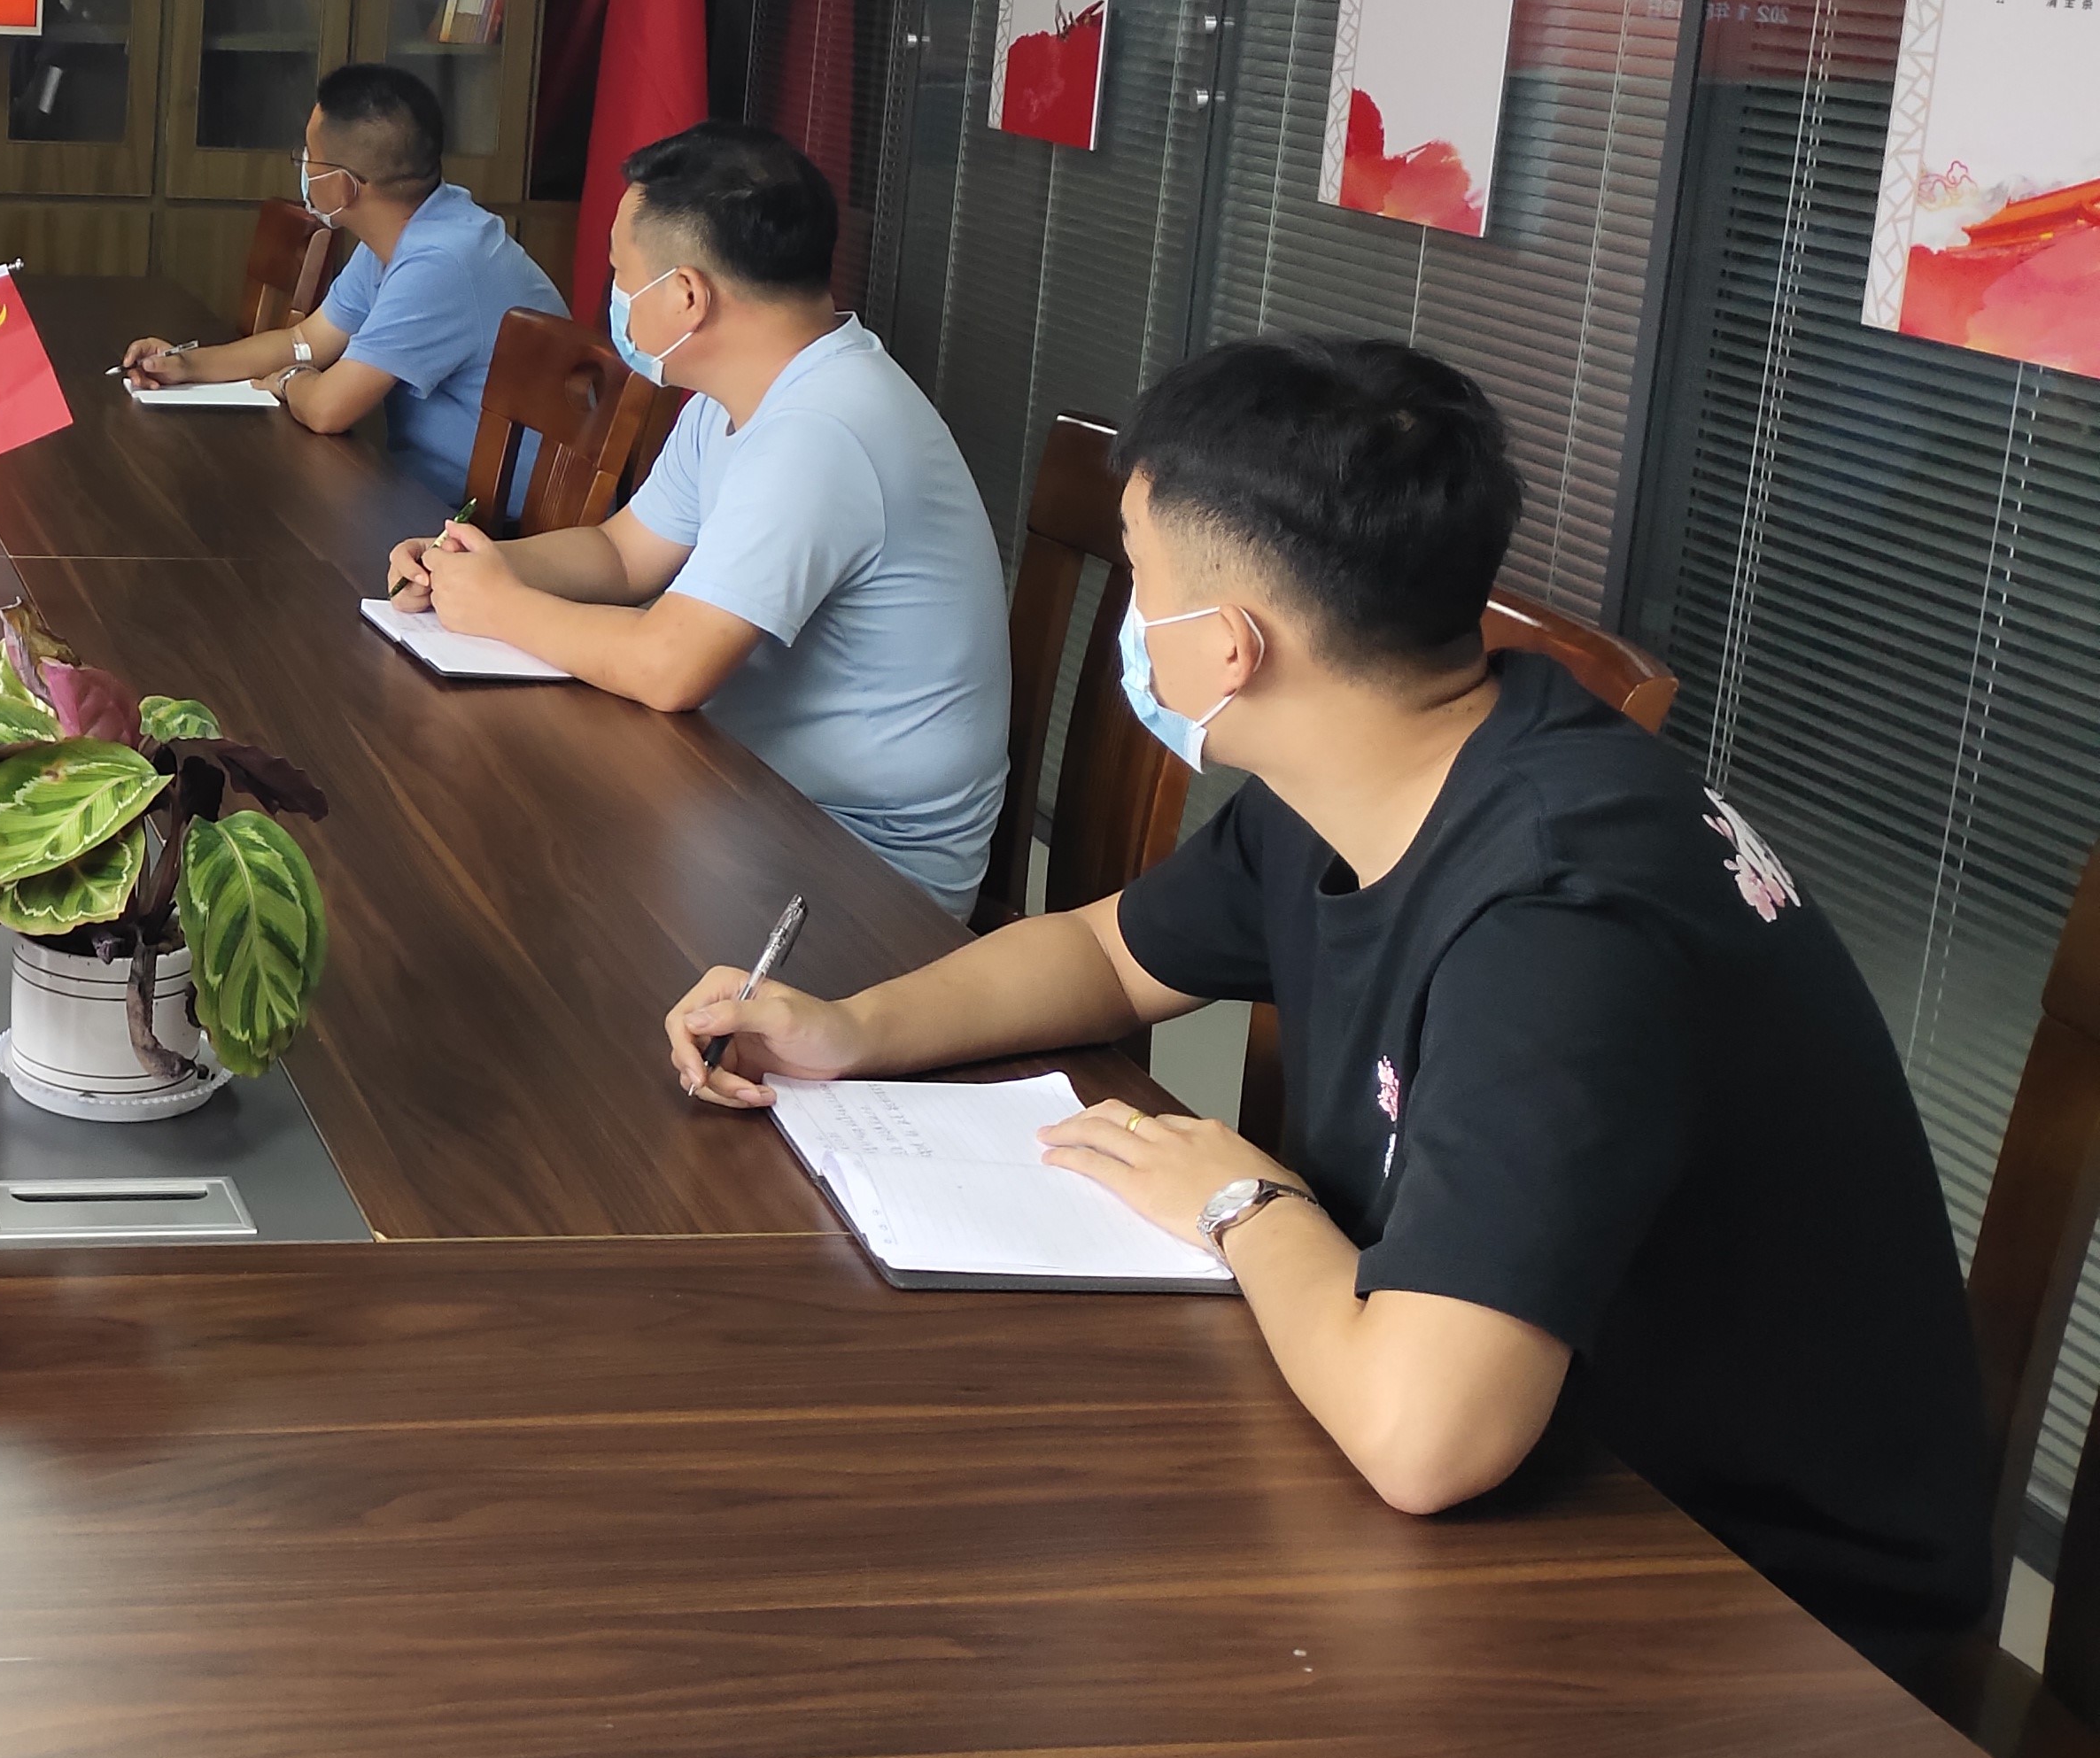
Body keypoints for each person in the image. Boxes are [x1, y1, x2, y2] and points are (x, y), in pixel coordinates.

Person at [666, 334, 1992, 1685]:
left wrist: (1245, 1206)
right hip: (1538, 1464)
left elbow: (1427, 1442)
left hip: (1764, 1625)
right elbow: (1111, 954)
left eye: (1142, 580)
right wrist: (851, 1032)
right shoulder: (1391, 757)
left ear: (1230, 646)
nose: (1132, 621)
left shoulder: (1558, 921)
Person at [390, 123, 1006, 915]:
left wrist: (500, 606)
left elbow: (669, 667)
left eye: (620, 274)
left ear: (685, 295)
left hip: (864, 875)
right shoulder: (738, 397)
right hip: (747, 792)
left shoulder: (821, 431)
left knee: (504, 875)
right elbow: (622, 554)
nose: (612, 295)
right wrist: (476, 564)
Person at [118, 63, 562, 500]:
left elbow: (328, 409)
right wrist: (186, 366)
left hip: (492, 522)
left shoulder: (441, 262)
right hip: (429, 495)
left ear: (343, 186)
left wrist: (290, 380)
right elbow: (304, 341)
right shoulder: (404, 231)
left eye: (309, 157)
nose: (303, 167)